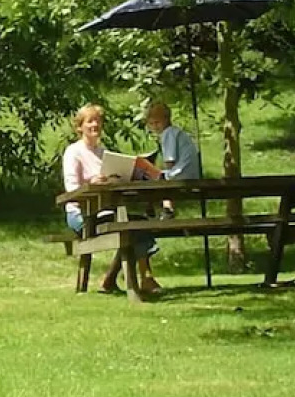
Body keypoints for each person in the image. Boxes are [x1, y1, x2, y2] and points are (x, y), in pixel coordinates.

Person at [62, 103, 160, 294]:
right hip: (82, 214)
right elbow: (71, 189)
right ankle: (144, 278)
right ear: (80, 127)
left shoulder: (103, 152)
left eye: (98, 121)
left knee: (137, 223)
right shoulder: (73, 152)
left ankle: (114, 279)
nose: (94, 125)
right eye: (90, 121)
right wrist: (93, 183)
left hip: (108, 209)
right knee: (130, 226)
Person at [145, 101, 200, 218]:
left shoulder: (168, 133)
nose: (155, 126)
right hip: (191, 172)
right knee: (161, 176)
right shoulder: (176, 132)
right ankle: (161, 206)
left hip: (182, 172)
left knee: (154, 177)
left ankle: (164, 208)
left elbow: (170, 161)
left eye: (157, 122)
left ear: (166, 120)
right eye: (151, 123)